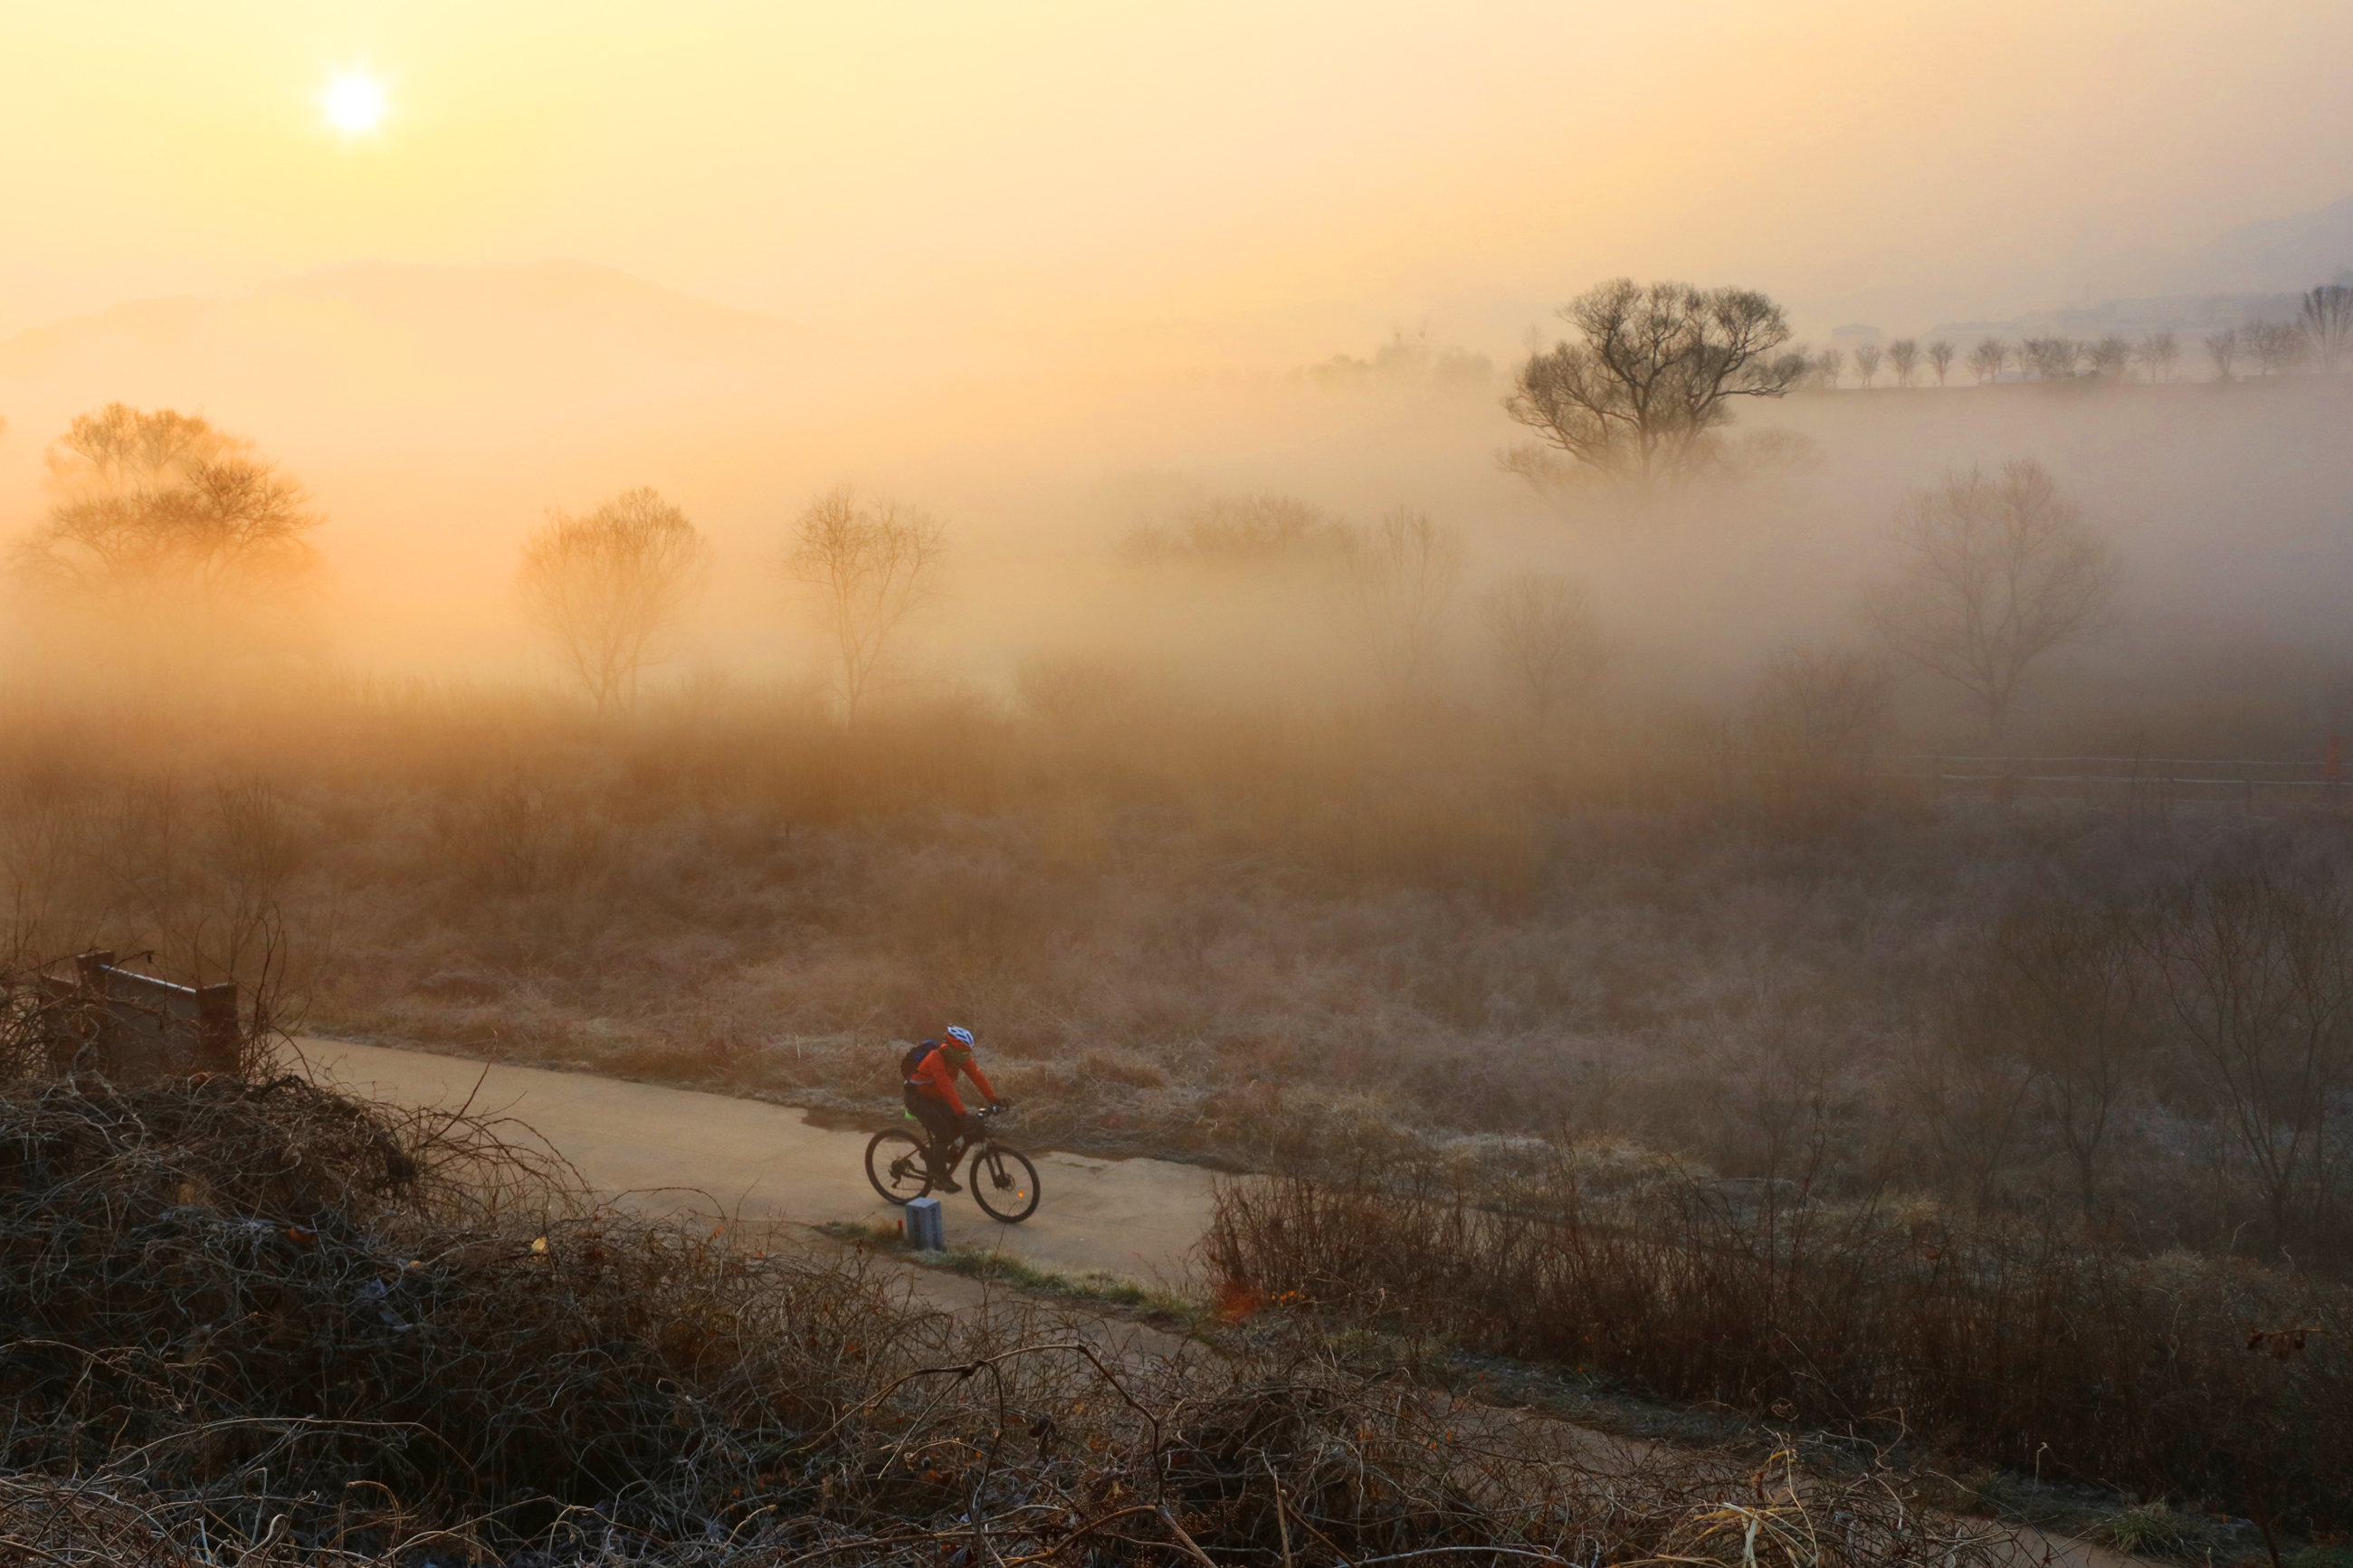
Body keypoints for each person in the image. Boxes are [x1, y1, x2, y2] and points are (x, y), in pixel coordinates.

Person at [900, 1025, 1005, 1193]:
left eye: (967, 1053)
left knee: (958, 1128)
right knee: (944, 1134)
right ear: (949, 1047)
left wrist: (994, 1099)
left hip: (937, 1098)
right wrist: (962, 1114)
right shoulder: (935, 1058)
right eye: (961, 1053)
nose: (964, 1057)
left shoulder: (961, 1058)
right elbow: (947, 1087)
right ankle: (940, 1177)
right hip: (917, 1099)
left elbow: (977, 1076)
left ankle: (934, 1157)